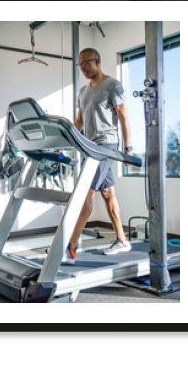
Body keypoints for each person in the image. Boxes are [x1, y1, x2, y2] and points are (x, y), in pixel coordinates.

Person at [63, 48, 133, 264]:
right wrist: (65, 142)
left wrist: (128, 146)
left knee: (87, 193)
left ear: (97, 61)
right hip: (89, 146)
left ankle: (70, 246)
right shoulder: (83, 91)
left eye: (86, 63)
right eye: (80, 64)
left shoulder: (112, 85)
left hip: (106, 145)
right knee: (107, 194)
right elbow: (79, 122)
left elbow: (122, 115)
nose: (82, 68)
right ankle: (122, 240)